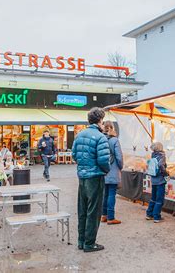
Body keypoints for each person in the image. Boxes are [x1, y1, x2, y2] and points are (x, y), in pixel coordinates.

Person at [72, 107, 110, 252]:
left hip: (82, 177)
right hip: (95, 177)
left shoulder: (80, 135)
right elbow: (104, 160)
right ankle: (89, 243)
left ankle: (81, 241)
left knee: (82, 210)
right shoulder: (101, 137)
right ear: (100, 120)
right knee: (93, 211)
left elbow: (74, 155)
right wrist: (105, 170)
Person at [101, 121, 123, 225]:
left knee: (105, 194)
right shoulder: (115, 140)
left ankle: (104, 215)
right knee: (111, 194)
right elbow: (119, 157)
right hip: (113, 170)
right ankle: (111, 217)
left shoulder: (101, 139)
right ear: (112, 128)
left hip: (103, 171)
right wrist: (121, 167)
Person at [146, 142, 168, 223]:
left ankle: (149, 214)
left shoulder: (153, 154)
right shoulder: (162, 155)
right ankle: (156, 216)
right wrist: (166, 173)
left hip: (153, 180)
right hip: (160, 180)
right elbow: (161, 165)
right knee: (159, 199)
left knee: (153, 198)